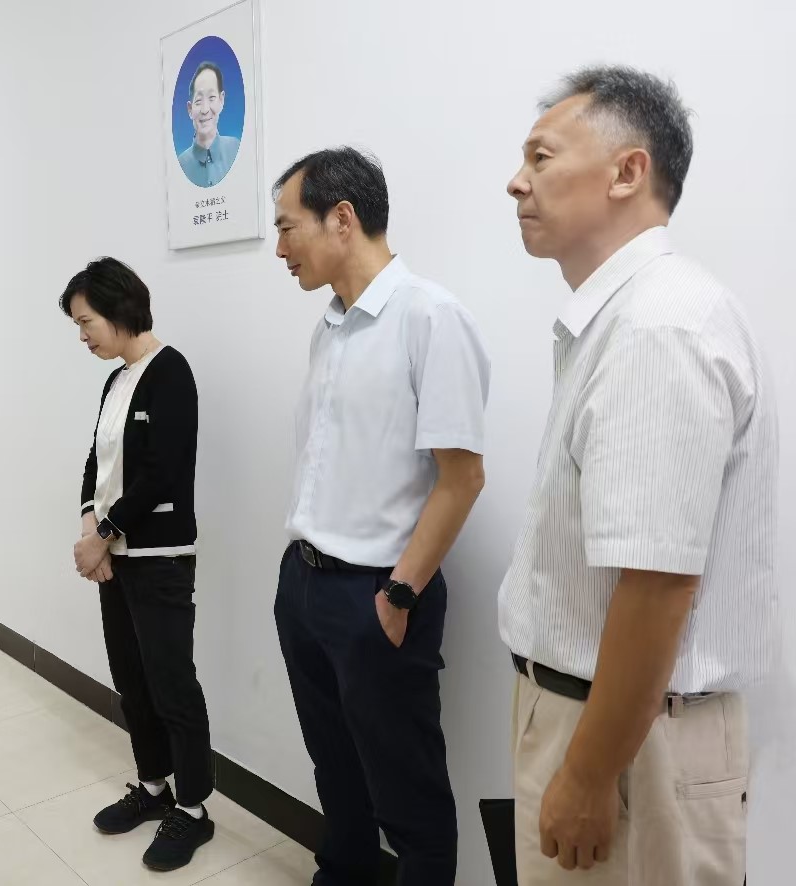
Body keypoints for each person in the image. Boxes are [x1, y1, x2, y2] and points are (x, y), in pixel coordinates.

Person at [500, 66, 777, 885]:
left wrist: (589, 775)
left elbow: (657, 585)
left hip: (625, 747)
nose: (516, 181)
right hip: (610, 725)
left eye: (541, 156)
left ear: (628, 171)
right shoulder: (625, 319)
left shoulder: (658, 328)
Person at [272, 147, 490, 885]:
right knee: (336, 771)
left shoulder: (431, 318)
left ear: (342, 218)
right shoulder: (330, 327)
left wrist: (399, 594)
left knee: (408, 791)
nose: (281, 249)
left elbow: (462, 478)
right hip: (305, 584)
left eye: (287, 227)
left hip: (378, 594)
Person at [61, 257, 215, 872]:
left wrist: (105, 533)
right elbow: (96, 464)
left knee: (172, 682)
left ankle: (194, 808)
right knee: (132, 680)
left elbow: (162, 473)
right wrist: (89, 526)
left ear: (119, 308)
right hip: (115, 556)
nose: (82, 336)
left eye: (86, 321)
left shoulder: (170, 372)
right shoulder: (115, 381)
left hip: (158, 558)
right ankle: (154, 786)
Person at [177, 61, 240, 188]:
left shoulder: (236, 148)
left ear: (221, 100)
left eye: (211, 98)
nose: (205, 109)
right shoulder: (180, 165)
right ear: (190, 109)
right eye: (198, 101)